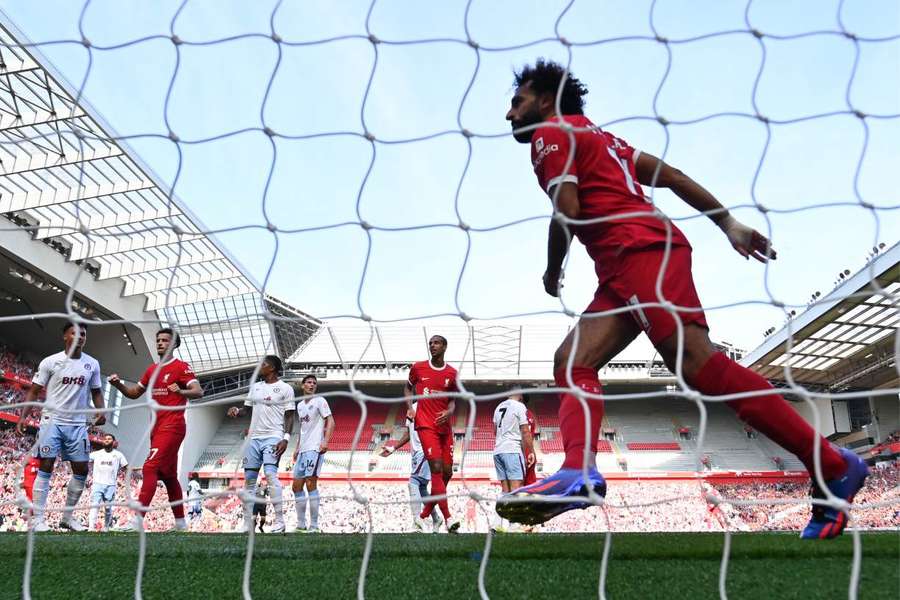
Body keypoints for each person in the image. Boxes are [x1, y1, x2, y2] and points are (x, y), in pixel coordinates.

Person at [498, 59, 868, 539]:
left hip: (639, 253)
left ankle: (833, 462)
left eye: (517, 101)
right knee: (572, 361)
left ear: (545, 100)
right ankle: (579, 472)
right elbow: (669, 175)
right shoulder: (602, 138)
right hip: (625, 266)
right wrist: (727, 222)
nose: (510, 115)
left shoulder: (551, 135)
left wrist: (552, 269)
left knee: (698, 365)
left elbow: (566, 211)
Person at [109, 328, 203, 531]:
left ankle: (137, 521)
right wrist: (118, 385)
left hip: (173, 426)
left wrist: (183, 390)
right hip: (156, 428)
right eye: (158, 340)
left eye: (165, 340)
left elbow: (198, 391)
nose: (160, 343)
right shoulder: (151, 370)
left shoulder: (180, 367)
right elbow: (134, 393)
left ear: (174, 345)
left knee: (149, 468)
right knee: (168, 476)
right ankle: (180, 524)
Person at [16, 322, 105, 532]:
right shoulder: (51, 362)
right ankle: (37, 520)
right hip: (52, 422)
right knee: (46, 464)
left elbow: (97, 392)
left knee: (82, 469)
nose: (79, 337)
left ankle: (67, 517)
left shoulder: (92, 364)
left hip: (77, 424)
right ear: (65, 336)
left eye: (83, 334)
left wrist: (102, 411)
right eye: (74, 333)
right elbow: (34, 391)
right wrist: (23, 417)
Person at [226, 355, 293, 534]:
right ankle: (247, 524)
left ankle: (279, 521)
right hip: (253, 438)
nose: (259, 367)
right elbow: (246, 410)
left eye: (263, 364)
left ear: (272, 368)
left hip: (273, 436)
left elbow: (289, 415)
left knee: (271, 476)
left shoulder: (285, 388)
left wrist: (285, 438)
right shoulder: (255, 387)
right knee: (249, 481)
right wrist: (236, 411)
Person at [406, 335, 461, 533]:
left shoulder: (452, 373)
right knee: (436, 468)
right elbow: (407, 388)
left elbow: (454, 399)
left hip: (445, 428)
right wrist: (410, 408)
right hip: (425, 424)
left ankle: (423, 516)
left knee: (447, 473)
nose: (432, 346)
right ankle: (448, 518)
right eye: (430, 343)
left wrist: (450, 411)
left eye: (436, 343)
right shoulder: (418, 367)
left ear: (445, 346)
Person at [379, 401, 443, 533]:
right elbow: (409, 433)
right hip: (416, 453)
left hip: (425, 451)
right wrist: (393, 448)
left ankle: (417, 522)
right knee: (422, 488)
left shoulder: (431, 406)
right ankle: (436, 518)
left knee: (413, 482)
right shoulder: (412, 408)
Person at [291, 375, 334, 533]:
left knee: (310, 483)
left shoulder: (320, 401)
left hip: (315, 448)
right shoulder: (300, 405)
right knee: (296, 487)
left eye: (314, 383)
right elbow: (302, 429)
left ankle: (314, 525)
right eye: (309, 382)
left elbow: (331, 421)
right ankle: (301, 525)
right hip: (303, 449)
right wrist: (296, 448)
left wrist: (325, 441)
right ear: (302, 385)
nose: (312, 385)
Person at [491, 394, 535, 532]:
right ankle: (513, 524)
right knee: (516, 488)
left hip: (498, 450)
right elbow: (525, 431)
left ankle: (496, 524)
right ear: (521, 398)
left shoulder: (498, 407)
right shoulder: (520, 406)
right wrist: (531, 451)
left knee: (505, 490)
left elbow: (494, 431)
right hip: (512, 449)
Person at [87, 433, 128, 532]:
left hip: (111, 485)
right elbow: (84, 459)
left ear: (113, 442)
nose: (106, 440)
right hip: (97, 483)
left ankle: (106, 527)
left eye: (109, 439)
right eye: (105, 439)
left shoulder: (118, 455)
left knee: (108, 508)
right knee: (95, 505)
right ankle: (91, 527)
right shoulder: (96, 454)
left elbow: (126, 466)